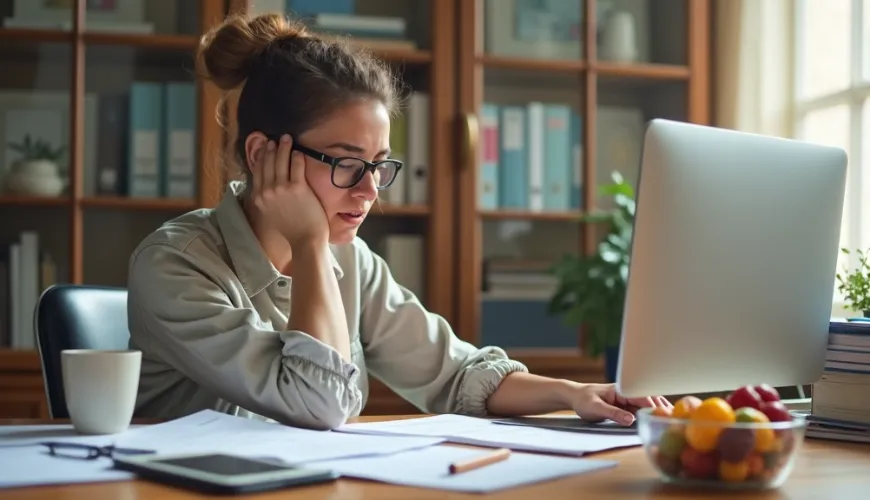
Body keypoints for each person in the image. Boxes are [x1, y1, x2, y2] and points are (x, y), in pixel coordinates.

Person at [126, 12, 671, 431]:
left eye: (378, 166)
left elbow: (454, 375)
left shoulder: (352, 261)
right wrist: (310, 245)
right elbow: (318, 404)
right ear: (264, 153)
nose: (369, 192)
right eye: (345, 164)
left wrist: (573, 393)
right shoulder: (176, 265)